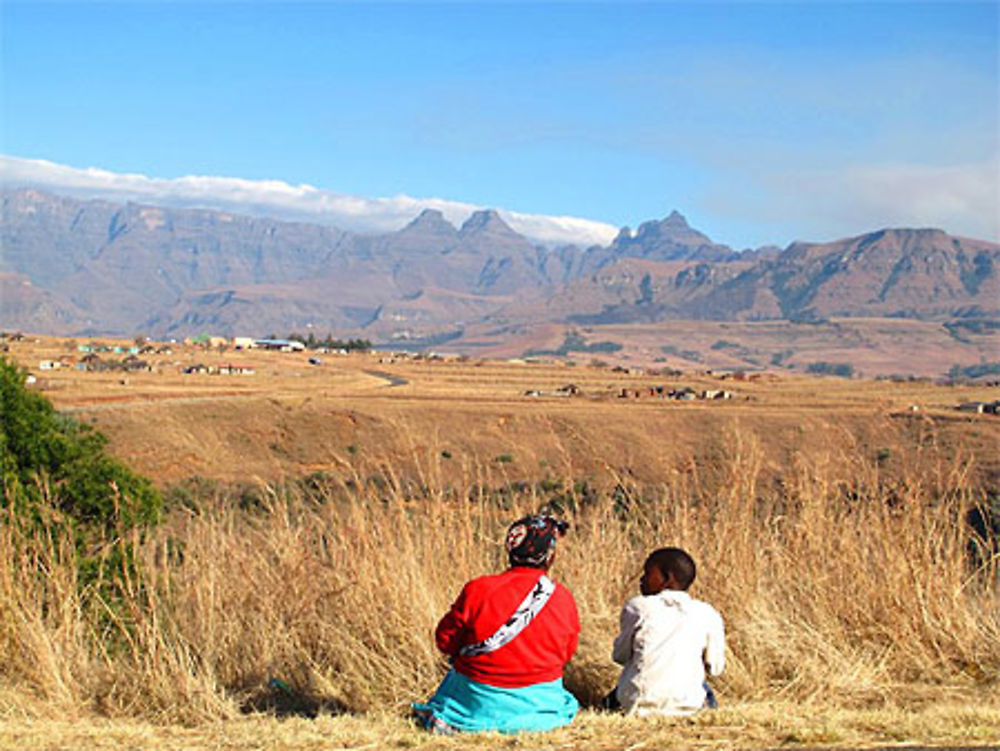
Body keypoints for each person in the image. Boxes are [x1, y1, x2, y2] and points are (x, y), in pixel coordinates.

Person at [412, 514, 580, 734]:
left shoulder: (478, 589)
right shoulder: (562, 597)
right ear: (549, 555)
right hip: (541, 702)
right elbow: (566, 653)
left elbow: (445, 641)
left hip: (477, 702)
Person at [604, 547, 725, 716]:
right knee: (703, 688)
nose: (642, 580)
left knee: (616, 693)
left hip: (638, 704)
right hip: (689, 705)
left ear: (667, 578)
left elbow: (620, 656)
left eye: (647, 574)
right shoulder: (707, 613)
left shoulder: (638, 607)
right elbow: (716, 668)